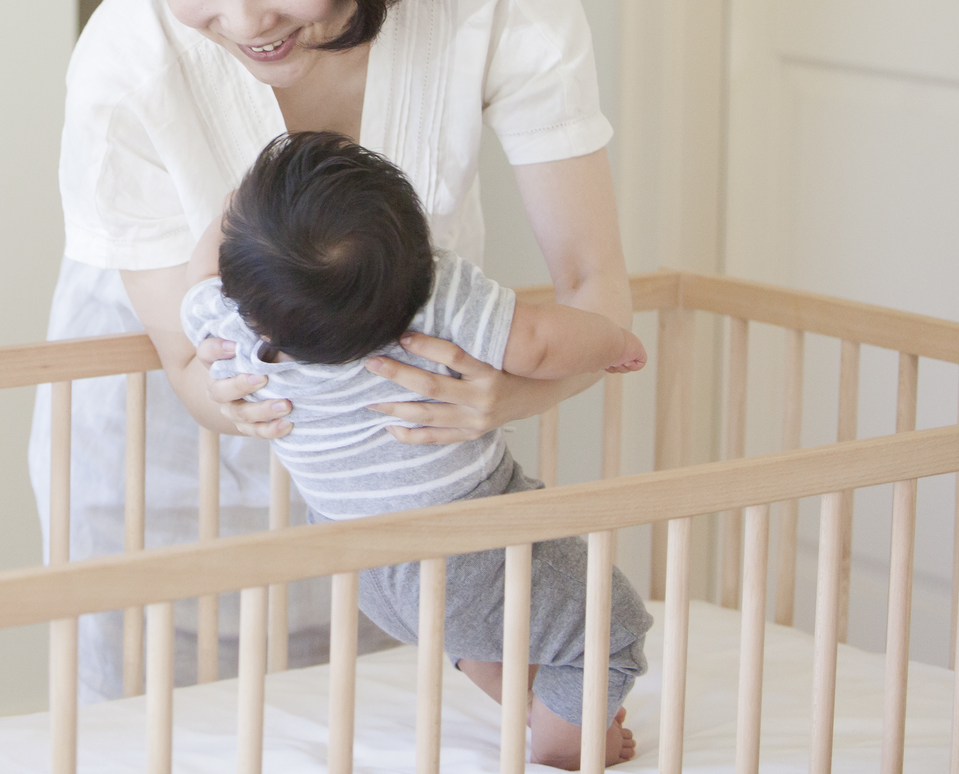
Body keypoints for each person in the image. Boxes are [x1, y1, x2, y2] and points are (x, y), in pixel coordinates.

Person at [32, 0, 632, 701]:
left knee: (379, 717)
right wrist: (240, 398)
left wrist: (506, 396)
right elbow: (185, 368)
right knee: (167, 727)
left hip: (400, 460)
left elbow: (597, 291)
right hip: (171, 450)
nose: (244, 18)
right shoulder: (126, 62)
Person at [184, 132, 649, 768]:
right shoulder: (435, 297)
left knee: (486, 628)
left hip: (369, 571)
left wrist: (240, 207)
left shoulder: (231, 328)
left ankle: (530, 697)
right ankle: (569, 747)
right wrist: (611, 342)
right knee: (609, 626)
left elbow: (200, 271)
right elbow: (539, 344)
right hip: (469, 550)